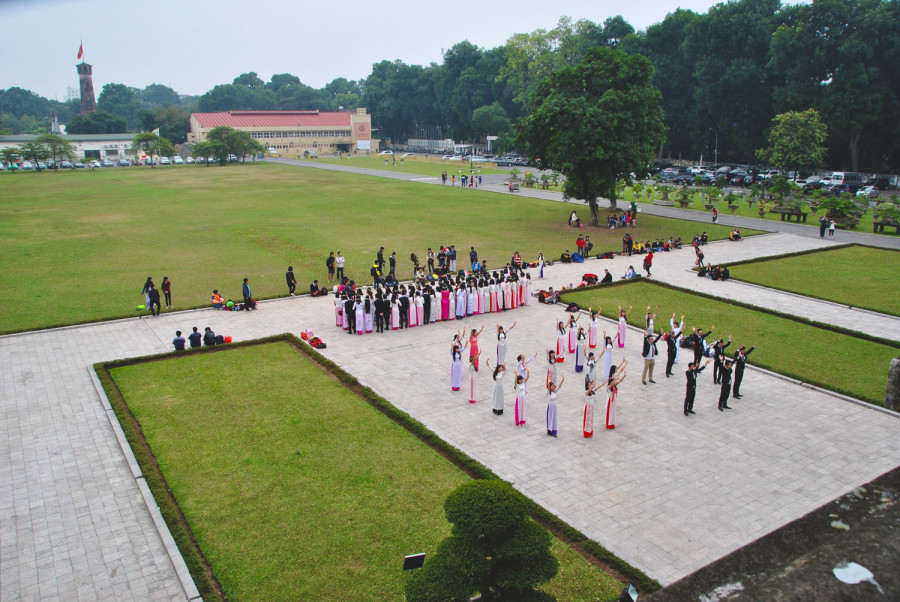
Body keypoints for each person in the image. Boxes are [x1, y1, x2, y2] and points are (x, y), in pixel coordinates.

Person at [605, 360, 628, 429]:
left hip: (614, 398)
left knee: (613, 411)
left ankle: (612, 423)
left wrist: (623, 376)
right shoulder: (610, 380)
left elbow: (620, 370)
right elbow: (610, 385)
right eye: (615, 370)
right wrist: (615, 380)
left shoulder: (613, 378)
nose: (616, 370)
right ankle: (609, 423)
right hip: (610, 399)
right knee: (610, 411)